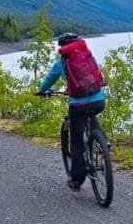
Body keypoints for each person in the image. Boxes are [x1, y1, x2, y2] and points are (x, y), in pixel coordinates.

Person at [37, 33, 106, 191]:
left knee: (76, 142)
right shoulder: (87, 57)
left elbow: (48, 80)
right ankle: (103, 143)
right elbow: (97, 73)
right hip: (98, 102)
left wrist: (42, 91)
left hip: (77, 105)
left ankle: (76, 180)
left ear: (62, 47)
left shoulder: (61, 62)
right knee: (92, 113)